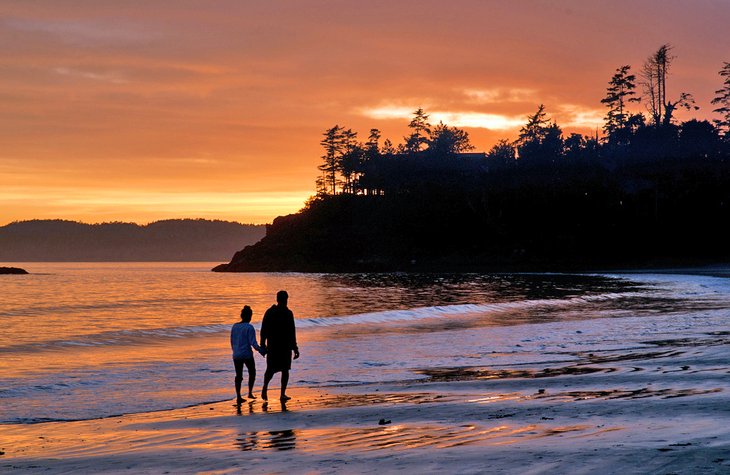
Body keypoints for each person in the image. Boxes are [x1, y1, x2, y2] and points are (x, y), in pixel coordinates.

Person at [260, 290, 300, 401]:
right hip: (285, 346)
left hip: (273, 346)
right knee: (285, 370)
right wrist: (295, 348)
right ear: (286, 300)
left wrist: (262, 345)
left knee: (271, 369)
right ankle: (282, 394)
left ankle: (265, 387)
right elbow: (292, 332)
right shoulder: (288, 313)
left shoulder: (269, 312)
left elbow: (263, 330)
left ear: (277, 299)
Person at [230, 305, 265, 405]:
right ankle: (249, 392)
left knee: (238, 376)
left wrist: (235, 351)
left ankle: (238, 396)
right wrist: (261, 350)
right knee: (252, 372)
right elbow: (253, 343)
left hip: (236, 354)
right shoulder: (249, 327)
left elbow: (232, 341)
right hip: (247, 354)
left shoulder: (235, 326)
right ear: (249, 316)